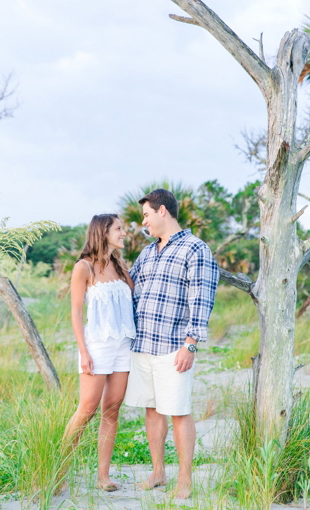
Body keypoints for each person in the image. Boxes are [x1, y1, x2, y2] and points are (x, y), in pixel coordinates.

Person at [124, 189, 219, 499]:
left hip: (174, 345)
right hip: (143, 344)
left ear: (162, 211)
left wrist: (191, 343)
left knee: (178, 411)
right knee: (152, 410)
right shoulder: (148, 252)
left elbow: (201, 299)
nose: (144, 221)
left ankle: (185, 479)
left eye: (146, 215)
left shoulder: (196, 249)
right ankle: (158, 472)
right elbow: (130, 283)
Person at [64, 213, 135, 491]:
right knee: (87, 409)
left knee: (112, 409)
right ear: (103, 232)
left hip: (123, 345)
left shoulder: (120, 267)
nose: (123, 233)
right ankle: (59, 466)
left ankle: (103, 477)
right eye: (118, 229)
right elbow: (76, 312)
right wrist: (83, 352)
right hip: (97, 345)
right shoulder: (84, 267)